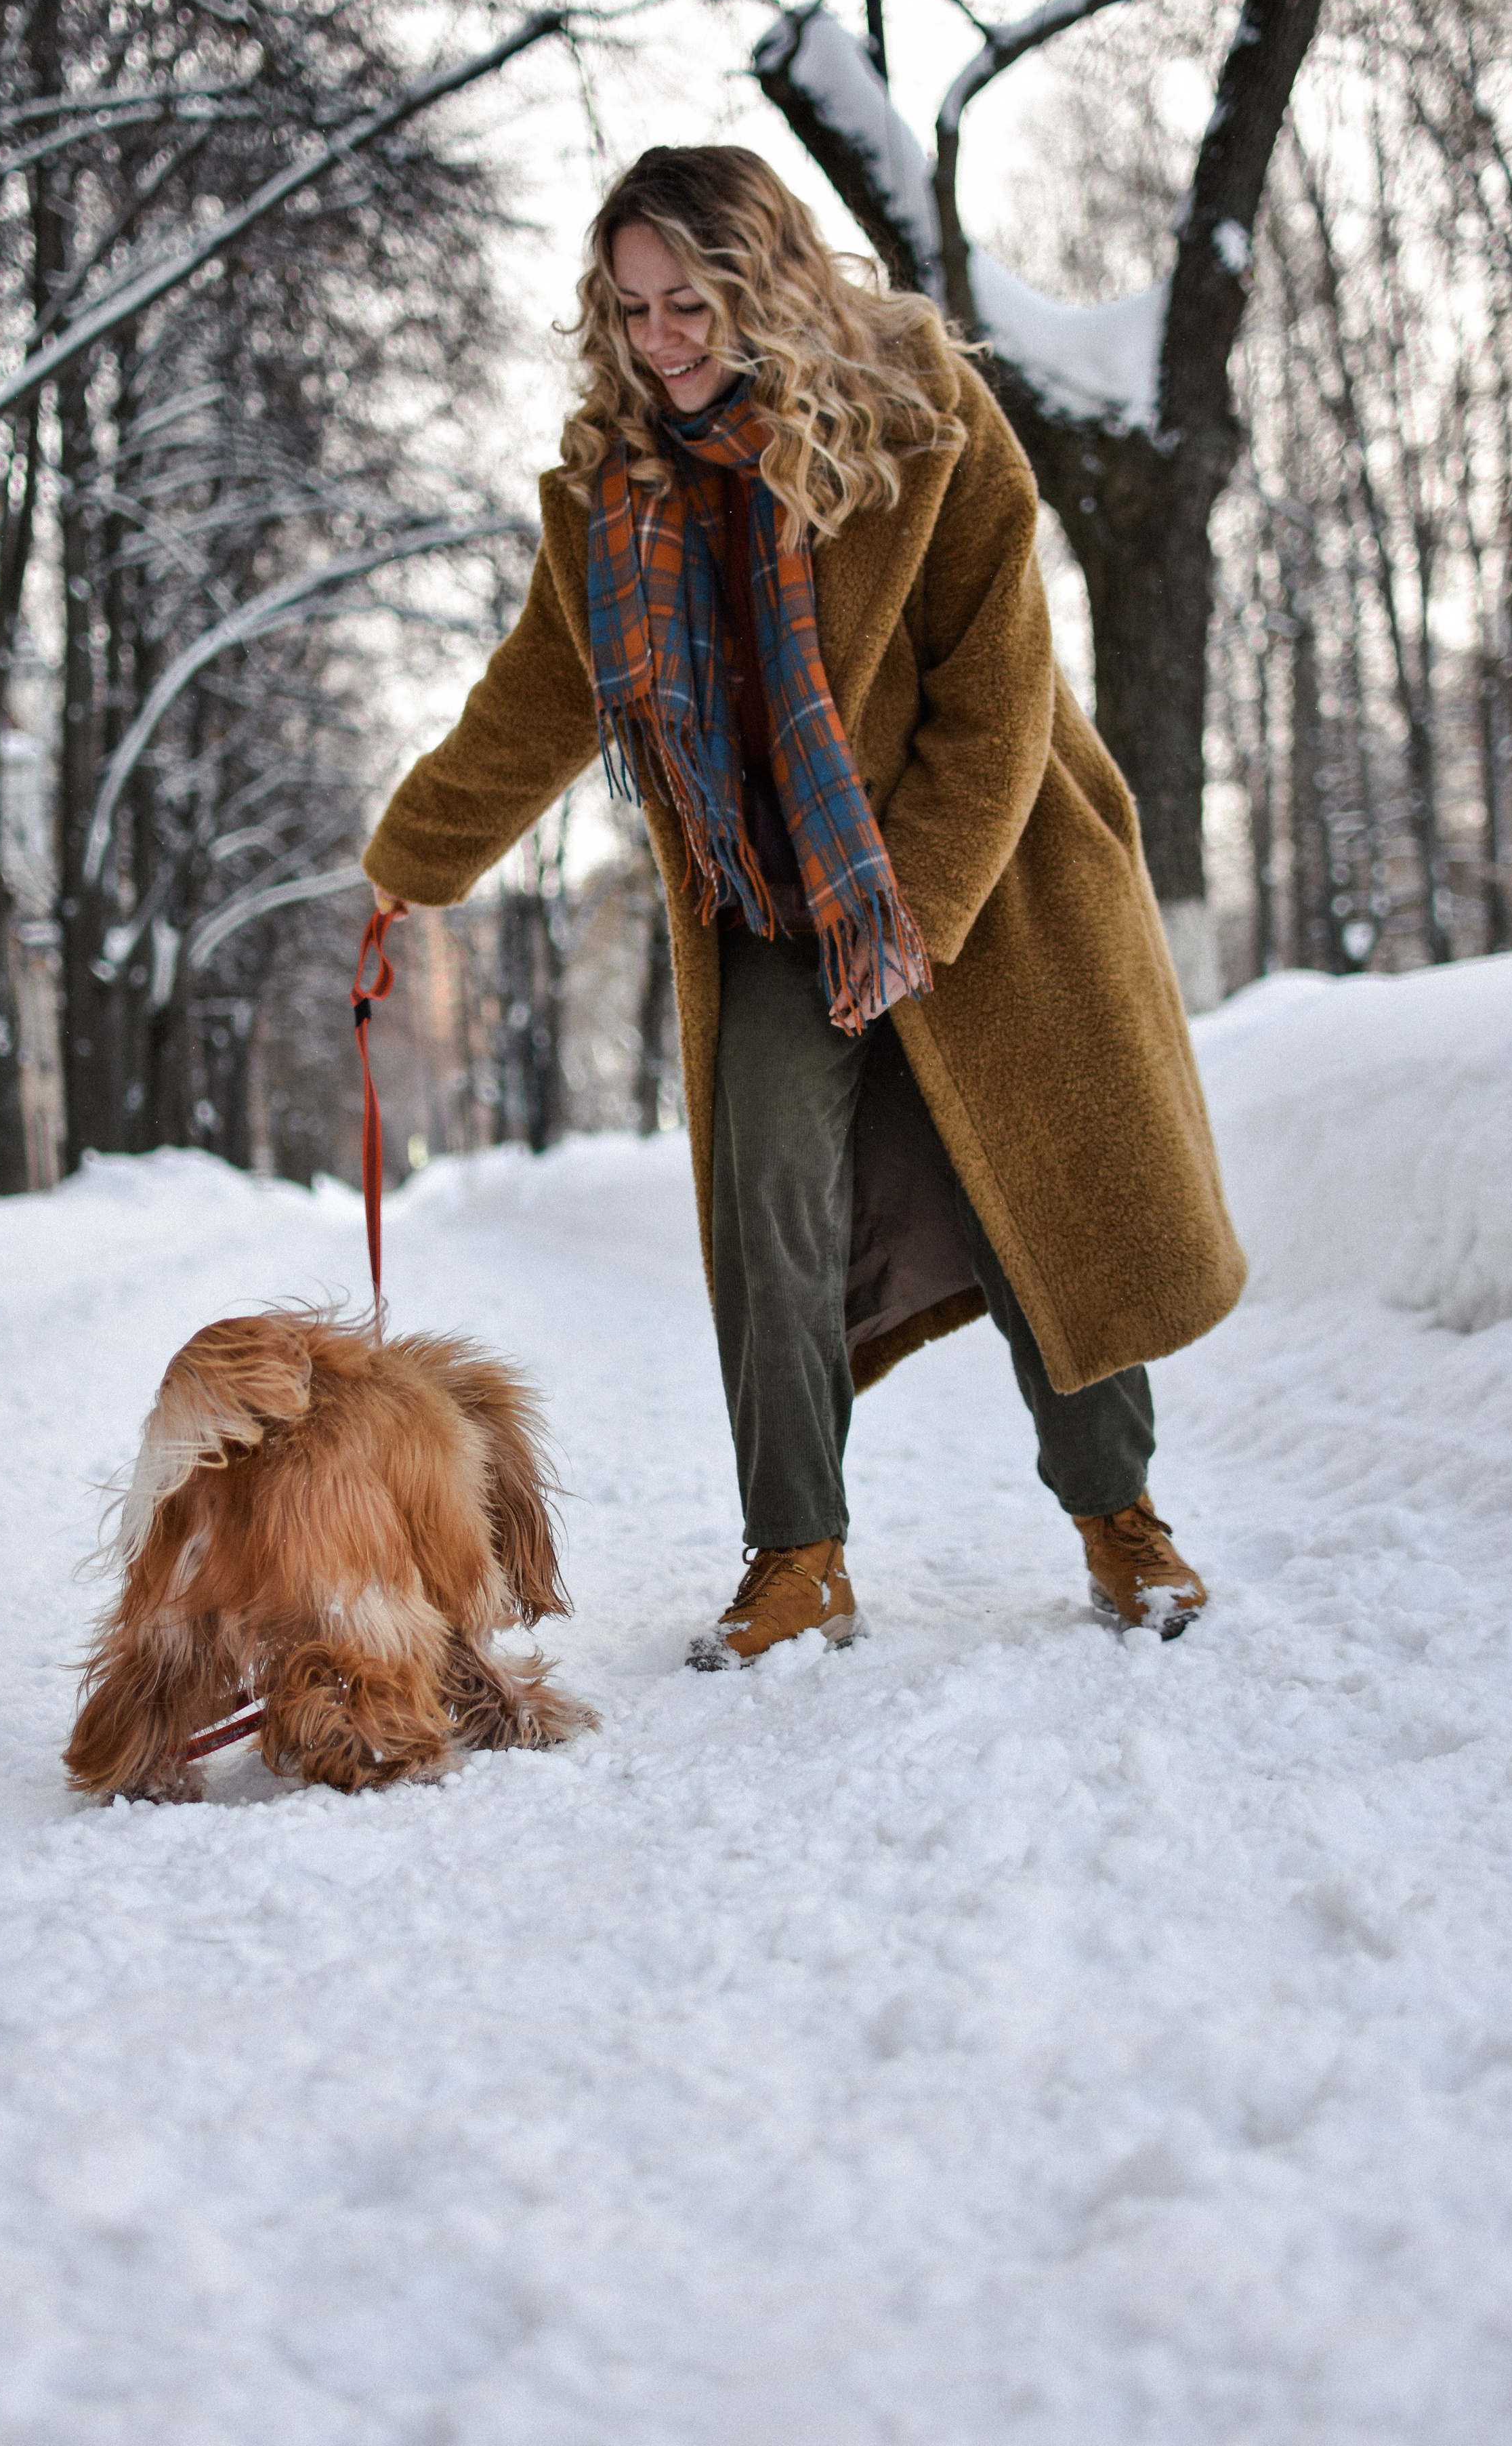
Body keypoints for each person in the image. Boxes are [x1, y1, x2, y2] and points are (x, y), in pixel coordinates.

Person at [362, 144, 1246, 1667]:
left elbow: (997, 682)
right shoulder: (607, 492)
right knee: (767, 1202)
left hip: (980, 876)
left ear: (762, 281)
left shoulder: (918, 417)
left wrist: (919, 908)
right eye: (631, 310)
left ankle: (1119, 1515)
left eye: (688, 303)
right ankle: (798, 1552)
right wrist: (410, 864)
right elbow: (538, 699)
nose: (661, 340)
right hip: (769, 901)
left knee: (1023, 1183)